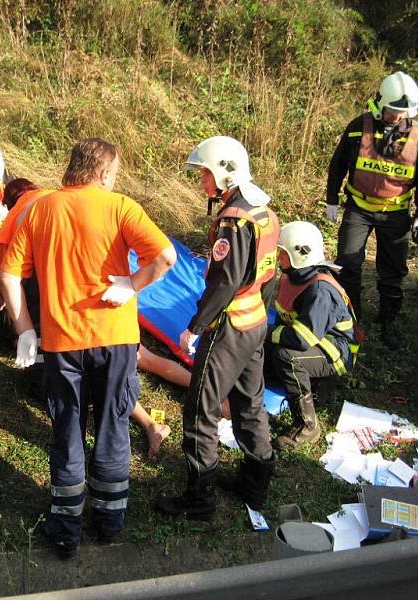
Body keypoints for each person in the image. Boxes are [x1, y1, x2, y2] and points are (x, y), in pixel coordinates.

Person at [0, 138, 176, 559]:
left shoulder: (39, 208)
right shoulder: (121, 208)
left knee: (68, 430)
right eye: (114, 174)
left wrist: (25, 330)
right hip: (115, 340)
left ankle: (65, 530)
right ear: (102, 173)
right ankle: (110, 522)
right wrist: (130, 285)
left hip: (62, 342)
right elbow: (165, 257)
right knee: (113, 426)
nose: (115, 181)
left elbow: (8, 277)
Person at [156, 136, 279, 520]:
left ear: (226, 173)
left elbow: (224, 282)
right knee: (249, 403)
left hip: (229, 328)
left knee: (200, 410)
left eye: (205, 174)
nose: (202, 182)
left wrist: (196, 326)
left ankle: (199, 499)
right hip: (256, 321)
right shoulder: (265, 212)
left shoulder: (234, 221)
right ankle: (254, 485)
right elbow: (272, 273)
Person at [326, 71, 418, 350]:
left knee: (393, 272)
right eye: (392, 111)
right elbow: (337, 165)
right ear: (379, 104)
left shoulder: (417, 135)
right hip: (358, 208)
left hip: (396, 214)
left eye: (402, 113)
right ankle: (352, 319)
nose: (396, 117)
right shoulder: (357, 127)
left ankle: (389, 322)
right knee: (348, 264)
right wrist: (332, 200)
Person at [269, 221, 359, 450]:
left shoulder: (320, 291)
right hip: (312, 344)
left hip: (335, 354)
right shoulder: (292, 277)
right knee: (267, 351)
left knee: (287, 356)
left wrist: (266, 334)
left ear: (298, 255)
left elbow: (301, 338)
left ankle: (307, 428)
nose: (279, 258)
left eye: (283, 254)